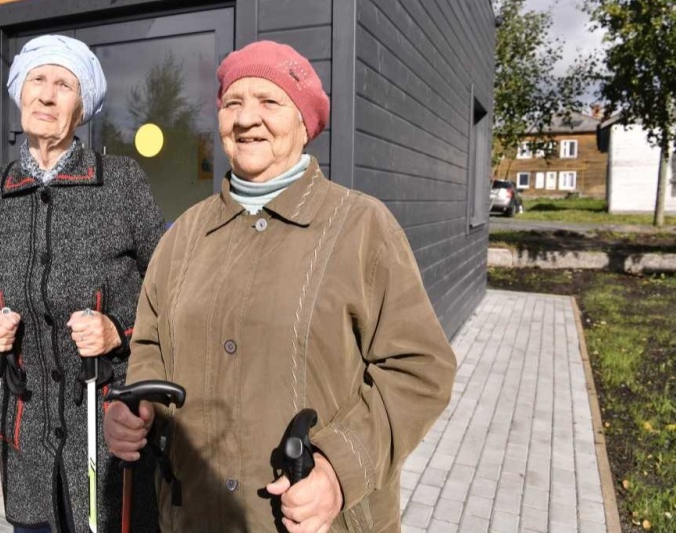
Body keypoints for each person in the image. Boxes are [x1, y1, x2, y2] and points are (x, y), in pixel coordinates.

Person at [104, 41, 457, 532]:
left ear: (303, 123)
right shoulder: (183, 234)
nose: (247, 118)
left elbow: (419, 368)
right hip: (195, 515)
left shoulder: (361, 226)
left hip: (315, 522)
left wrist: (338, 470)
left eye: (269, 101)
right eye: (233, 103)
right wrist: (136, 410)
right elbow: (150, 346)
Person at [0, 34, 165, 533]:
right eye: (38, 80)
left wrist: (118, 329)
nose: (47, 96)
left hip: (106, 424)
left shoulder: (120, 182)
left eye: (64, 85)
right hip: (26, 430)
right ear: (20, 92)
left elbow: (168, 283)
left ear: (81, 107)